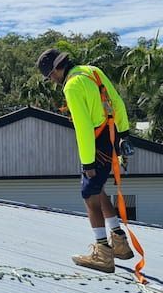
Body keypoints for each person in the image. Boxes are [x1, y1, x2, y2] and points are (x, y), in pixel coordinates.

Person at [36, 46, 135, 273]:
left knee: (89, 194)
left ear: (57, 70)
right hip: (111, 136)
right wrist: (123, 135)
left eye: (50, 76)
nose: (52, 81)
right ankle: (119, 242)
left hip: (96, 143)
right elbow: (117, 103)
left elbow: (82, 128)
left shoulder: (71, 86)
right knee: (98, 189)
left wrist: (88, 163)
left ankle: (102, 253)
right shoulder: (93, 71)